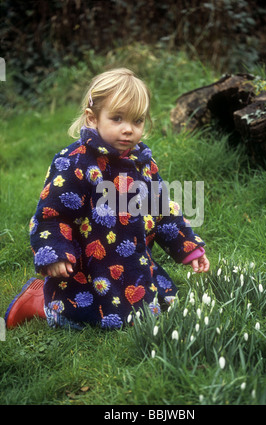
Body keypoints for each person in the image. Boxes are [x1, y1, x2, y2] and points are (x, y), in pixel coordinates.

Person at [5, 68, 210, 330]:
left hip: (133, 263)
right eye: (117, 119)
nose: (128, 130)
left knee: (155, 312)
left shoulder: (143, 164)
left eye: (137, 121)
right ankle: (38, 301)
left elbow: (161, 209)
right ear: (92, 118)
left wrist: (188, 246)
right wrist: (55, 253)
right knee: (82, 318)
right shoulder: (75, 163)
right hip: (86, 271)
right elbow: (53, 214)